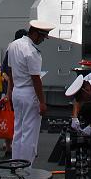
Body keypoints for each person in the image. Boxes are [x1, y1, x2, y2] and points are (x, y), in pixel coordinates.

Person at [6, 21, 55, 166]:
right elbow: (36, 79)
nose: (42, 41)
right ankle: (26, 166)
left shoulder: (13, 45)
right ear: (35, 33)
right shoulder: (32, 51)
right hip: (29, 93)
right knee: (30, 133)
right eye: (42, 37)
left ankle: (15, 163)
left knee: (18, 130)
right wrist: (42, 102)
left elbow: (10, 70)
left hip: (17, 92)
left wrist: (10, 92)